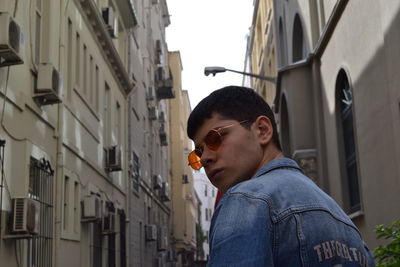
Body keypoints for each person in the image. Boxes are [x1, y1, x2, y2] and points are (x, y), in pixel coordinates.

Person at [187, 86, 375, 266]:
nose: (205, 158)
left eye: (215, 138)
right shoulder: (343, 220)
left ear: (262, 130)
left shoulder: (245, 200)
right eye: (198, 152)